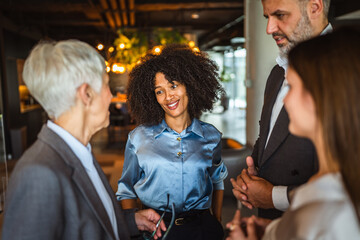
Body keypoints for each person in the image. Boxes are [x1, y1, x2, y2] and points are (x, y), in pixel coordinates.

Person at [2, 40, 166, 240]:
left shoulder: (79, 152)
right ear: (86, 94)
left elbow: (86, 221)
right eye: (106, 85)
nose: (111, 95)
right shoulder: (37, 174)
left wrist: (131, 220)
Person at [226, 27, 360, 240]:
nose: (285, 100)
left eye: (292, 87)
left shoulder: (335, 213)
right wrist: (273, 231)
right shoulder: (325, 191)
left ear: (322, 98)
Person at [231, 0, 332, 219]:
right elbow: (268, 135)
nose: (269, 29)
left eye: (280, 15)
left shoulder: (348, 70)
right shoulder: (278, 72)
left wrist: (274, 196)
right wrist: (252, 176)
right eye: (268, 17)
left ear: (314, 7)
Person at [116, 44, 228, 240]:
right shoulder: (138, 137)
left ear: (190, 86)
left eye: (173, 86)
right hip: (155, 229)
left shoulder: (211, 136)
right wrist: (134, 229)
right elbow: (126, 189)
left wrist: (216, 219)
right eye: (159, 91)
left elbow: (217, 179)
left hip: (201, 229)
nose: (168, 97)